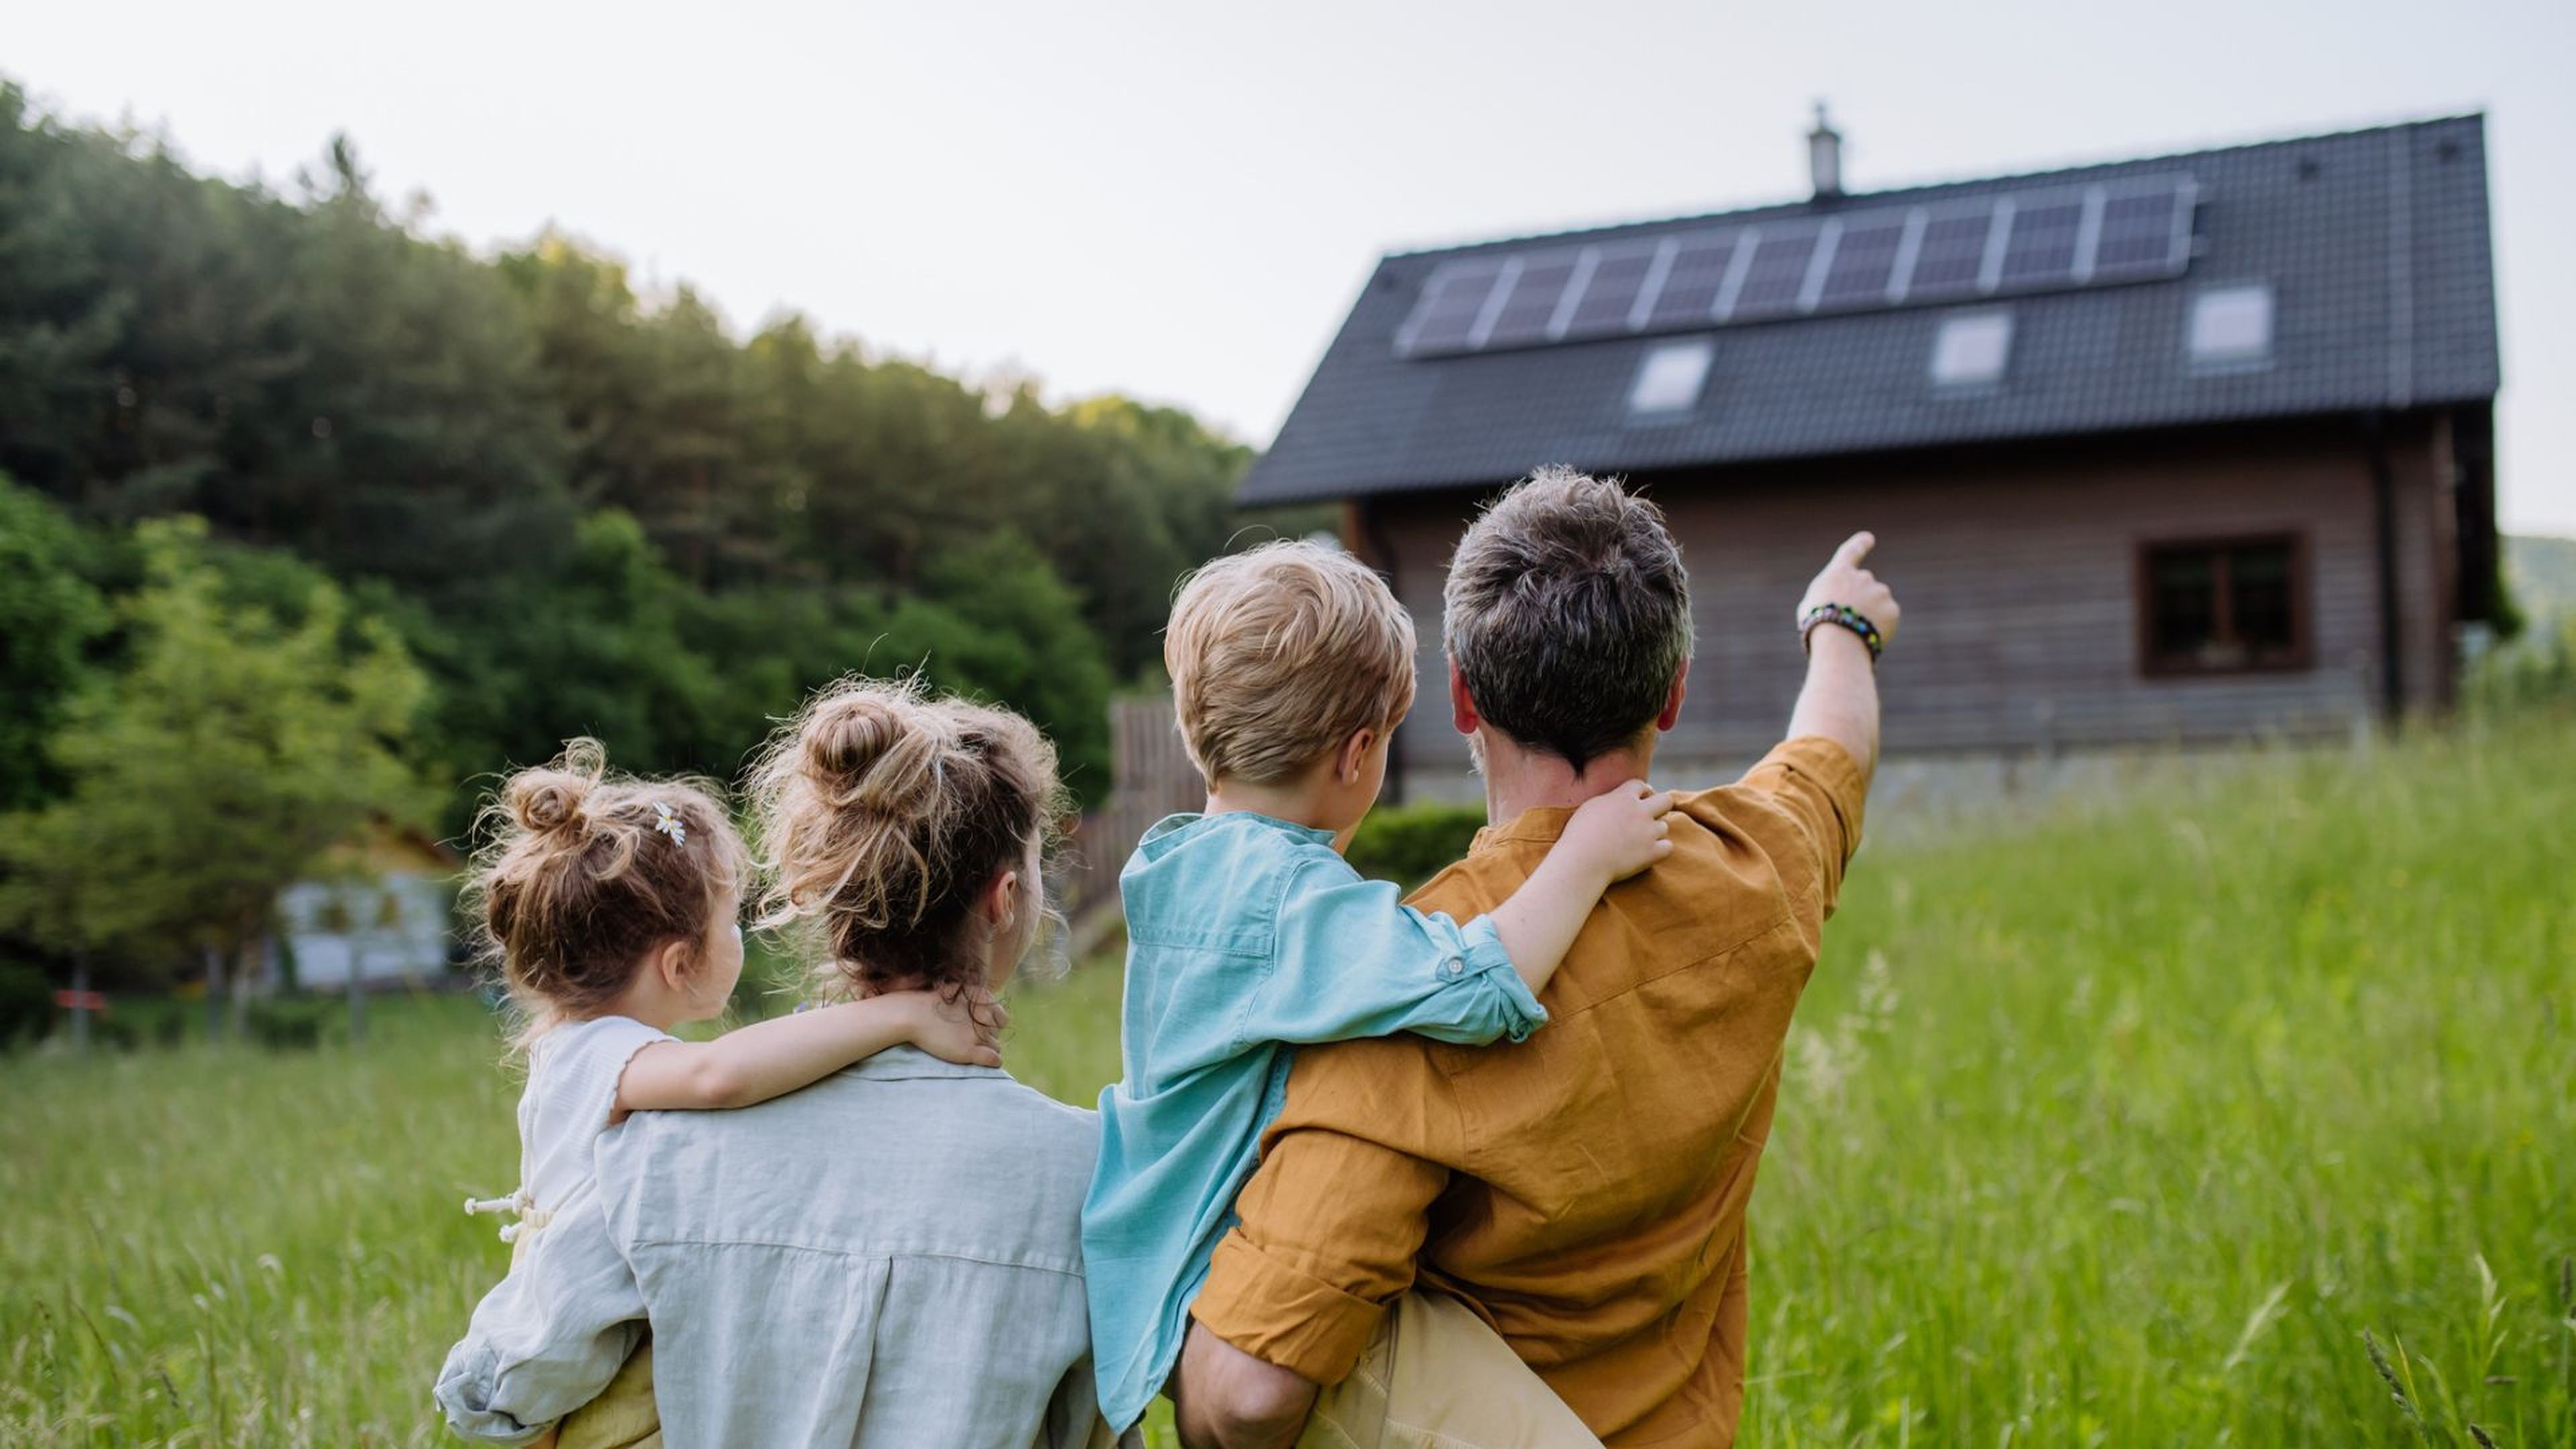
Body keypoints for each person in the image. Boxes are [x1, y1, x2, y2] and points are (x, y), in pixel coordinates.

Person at [1175, 468, 1900, 1448]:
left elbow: (1247, 1396)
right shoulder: (1758, 865)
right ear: (1673, 691)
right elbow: (1830, 755)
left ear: (1465, 699)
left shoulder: (1398, 988)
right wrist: (1838, 628)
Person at [1084, 539, 1676, 1442]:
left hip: (1148, 1270)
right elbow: (1481, 986)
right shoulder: (1289, 901)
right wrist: (1588, 853)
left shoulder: (1171, 865)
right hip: (1229, 1293)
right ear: (1359, 754)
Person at [437, 680, 1119, 1447]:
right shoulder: (1096, 1176)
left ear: (820, 891)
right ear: (1003, 899)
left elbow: (498, 1385)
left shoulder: (655, 1156)